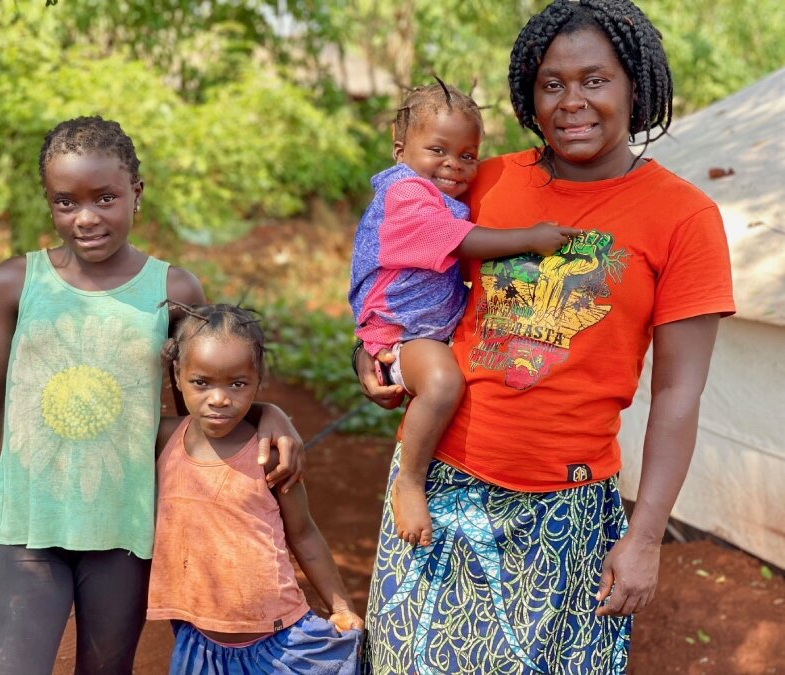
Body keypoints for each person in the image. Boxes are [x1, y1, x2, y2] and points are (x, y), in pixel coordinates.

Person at [356, 1, 735, 673]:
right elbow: (399, 265)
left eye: (595, 79)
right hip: (440, 481)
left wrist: (646, 535)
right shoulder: (487, 180)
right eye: (551, 83)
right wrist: (373, 346)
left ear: (635, 87)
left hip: (566, 507)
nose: (572, 101)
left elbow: (679, 392)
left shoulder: (684, 218)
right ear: (529, 95)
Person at [0, 116, 304, 674]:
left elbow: (200, 402)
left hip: (123, 526)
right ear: (49, 203)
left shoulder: (172, 290)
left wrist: (267, 411)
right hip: (26, 521)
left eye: (105, 198)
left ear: (135, 194)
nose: (86, 217)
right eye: (65, 202)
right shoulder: (15, 283)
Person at [348, 80, 581, 548]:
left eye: (468, 155)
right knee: (443, 383)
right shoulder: (406, 193)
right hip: (405, 330)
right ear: (400, 148)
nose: (453, 164)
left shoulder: (438, 194)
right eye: (438, 149)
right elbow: (461, 241)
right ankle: (410, 480)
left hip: (423, 328)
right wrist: (530, 237)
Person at [146, 302, 364, 674]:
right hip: (199, 645)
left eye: (237, 384)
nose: (219, 398)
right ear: (178, 375)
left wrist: (340, 605)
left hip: (280, 643)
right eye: (201, 383)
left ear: (257, 380)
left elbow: (304, 532)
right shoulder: (164, 437)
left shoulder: (270, 454)